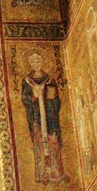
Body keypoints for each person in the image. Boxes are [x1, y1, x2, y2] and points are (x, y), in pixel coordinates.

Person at [21, 52, 66, 184]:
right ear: (30, 64)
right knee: (39, 143)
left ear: (42, 63)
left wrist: (51, 97)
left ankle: (57, 172)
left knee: (53, 142)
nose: (36, 64)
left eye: (38, 62)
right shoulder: (27, 81)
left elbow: (56, 100)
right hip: (36, 118)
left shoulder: (50, 80)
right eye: (33, 62)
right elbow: (25, 99)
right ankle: (42, 174)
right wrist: (34, 96)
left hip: (50, 118)